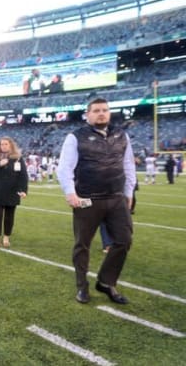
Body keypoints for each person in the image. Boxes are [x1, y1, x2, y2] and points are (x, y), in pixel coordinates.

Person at [56, 97, 136, 305]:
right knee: (83, 244)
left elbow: (128, 166)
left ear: (109, 113)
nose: (101, 113)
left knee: (124, 240)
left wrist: (129, 193)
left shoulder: (121, 136)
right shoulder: (75, 137)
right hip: (87, 198)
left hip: (116, 197)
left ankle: (106, 282)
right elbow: (64, 168)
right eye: (97, 110)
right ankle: (82, 286)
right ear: (88, 114)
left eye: (105, 110)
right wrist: (70, 192)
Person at [0, 136, 28, 249]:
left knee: (9, 217)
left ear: (11, 145)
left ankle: (6, 237)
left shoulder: (18, 158)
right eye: (2, 144)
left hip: (12, 192)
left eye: (6, 144)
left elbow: (23, 175)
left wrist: (23, 190)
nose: (3, 146)